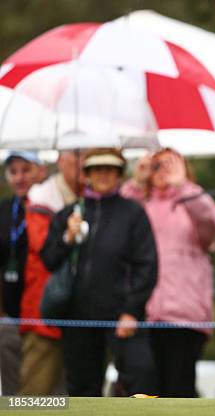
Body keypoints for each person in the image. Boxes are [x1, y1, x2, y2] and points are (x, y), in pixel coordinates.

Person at [41, 148, 158, 396]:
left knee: (141, 378)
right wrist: (67, 238)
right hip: (78, 316)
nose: (103, 175)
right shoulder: (69, 214)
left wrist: (132, 311)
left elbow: (147, 266)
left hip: (122, 315)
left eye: (110, 169)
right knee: (82, 389)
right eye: (97, 169)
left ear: (119, 175)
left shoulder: (133, 213)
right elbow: (49, 259)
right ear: (87, 175)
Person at [121, 148, 215, 397]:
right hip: (141, 316)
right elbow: (118, 220)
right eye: (157, 165)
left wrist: (184, 186)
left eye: (171, 164)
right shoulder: (140, 205)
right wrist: (137, 181)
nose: (162, 171)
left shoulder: (191, 203)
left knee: (178, 392)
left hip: (184, 317)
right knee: (142, 391)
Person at [19, 150, 85, 395]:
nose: (84, 163)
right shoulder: (41, 199)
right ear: (60, 160)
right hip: (45, 315)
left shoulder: (91, 198)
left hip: (82, 320)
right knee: (34, 399)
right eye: (78, 155)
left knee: (73, 402)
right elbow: (44, 254)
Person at [0, 151, 41, 395]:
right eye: (13, 172)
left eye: (26, 170)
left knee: (49, 399)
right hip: (9, 320)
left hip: (46, 321)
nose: (19, 178)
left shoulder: (50, 206)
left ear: (40, 171)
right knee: (12, 398)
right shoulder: (4, 209)